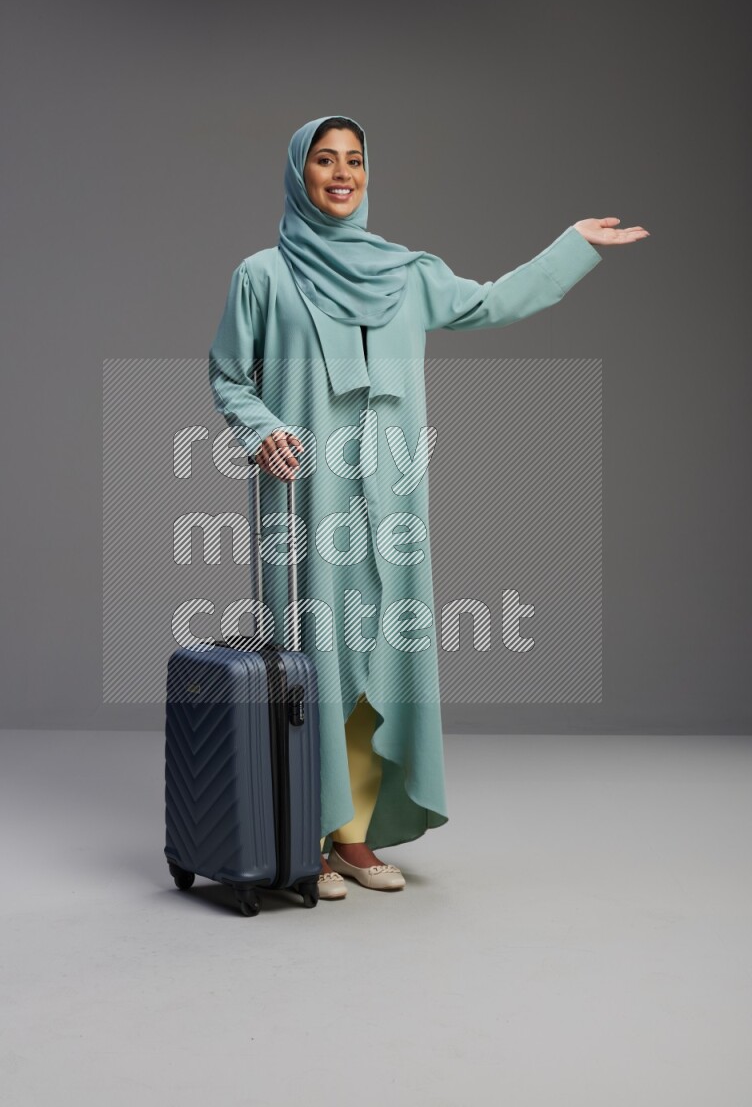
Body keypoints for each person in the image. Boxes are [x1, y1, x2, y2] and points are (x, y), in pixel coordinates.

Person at [208, 114, 649, 900]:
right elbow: (228, 376)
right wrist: (263, 428)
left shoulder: (405, 274)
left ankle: (352, 837)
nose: (341, 174)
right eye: (324, 160)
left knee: (383, 658)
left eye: (355, 161)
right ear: (298, 173)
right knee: (312, 662)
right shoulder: (262, 276)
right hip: (306, 496)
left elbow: (491, 303)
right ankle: (300, 834)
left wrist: (573, 244)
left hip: (393, 498)